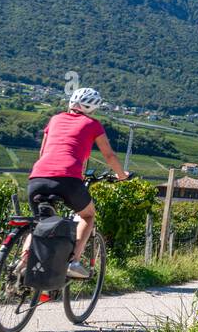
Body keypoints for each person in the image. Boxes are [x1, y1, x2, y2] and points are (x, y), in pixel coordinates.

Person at [28, 87, 128, 279]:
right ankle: (73, 262)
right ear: (93, 108)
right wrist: (122, 176)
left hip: (37, 178)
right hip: (67, 179)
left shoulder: (55, 119)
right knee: (88, 215)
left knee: (38, 224)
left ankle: (22, 261)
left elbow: (43, 152)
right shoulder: (92, 124)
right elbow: (109, 155)